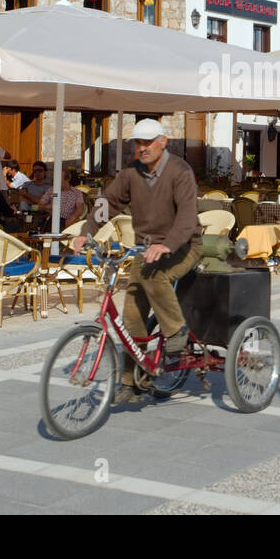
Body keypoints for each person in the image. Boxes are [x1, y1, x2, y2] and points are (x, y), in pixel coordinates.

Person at [71, 119, 201, 404]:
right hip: (147, 251)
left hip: (184, 246)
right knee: (131, 316)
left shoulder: (180, 171)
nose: (142, 148)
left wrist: (166, 244)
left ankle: (176, 330)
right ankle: (132, 382)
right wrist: (86, 232)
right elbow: (109, 202)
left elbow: (187, 218)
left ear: (163, 141)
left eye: (148, 142)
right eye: (138, 143)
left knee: (154, 278)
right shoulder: (130, 173)